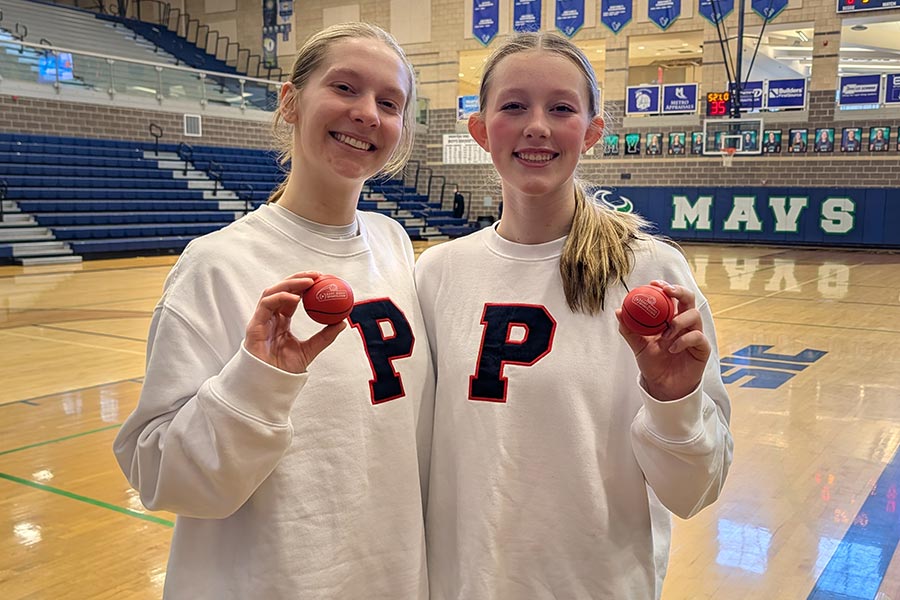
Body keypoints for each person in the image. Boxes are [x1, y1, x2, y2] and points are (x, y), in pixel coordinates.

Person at [113, 23, 434, 600]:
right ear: (291, 102)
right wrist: (257, 382)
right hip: (270, 581)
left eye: (389, 103)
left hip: (388, 575)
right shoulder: (216, 265)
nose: (366, 113)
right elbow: (160, 476)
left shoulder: (392, 242)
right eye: (344, 88)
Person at [415, 32, 733, 599]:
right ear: (481, 130)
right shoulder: (436, 273)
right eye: (514, 105)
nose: (537, 124)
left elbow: (696, 491)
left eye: (561, 108)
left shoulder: (650, 270)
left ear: (591, 131)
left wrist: (674, 401)